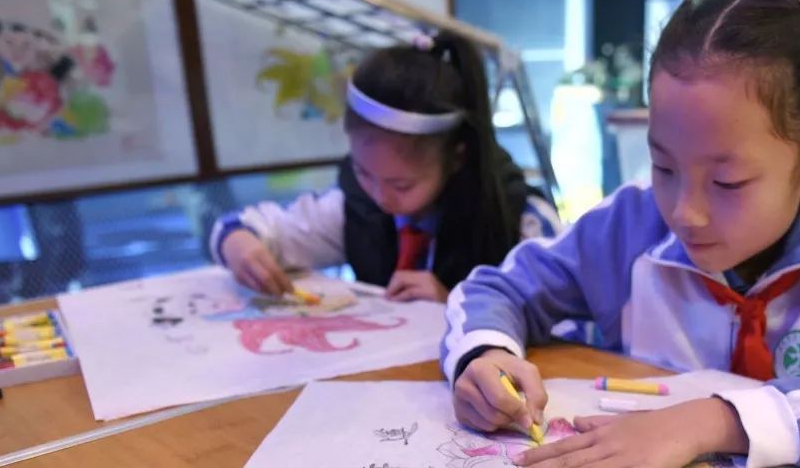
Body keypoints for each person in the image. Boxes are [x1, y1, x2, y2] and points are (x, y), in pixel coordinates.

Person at [442, 0, 800, 468]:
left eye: (727, 182)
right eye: (664, 166)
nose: (684, 212)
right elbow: (497, 288)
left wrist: (712, 421)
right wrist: (485, 354)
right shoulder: (631, 222)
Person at [210, 31, 559, 303]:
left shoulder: (520, 221)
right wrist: (239, 244)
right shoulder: (355, 206)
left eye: (401, 185)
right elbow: (252, 227)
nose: (381, 197)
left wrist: (458, 304)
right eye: (363, 172)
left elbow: (568, 319)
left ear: (456, 158)